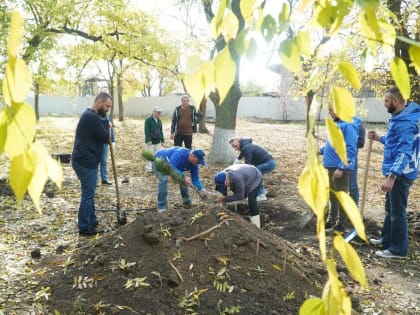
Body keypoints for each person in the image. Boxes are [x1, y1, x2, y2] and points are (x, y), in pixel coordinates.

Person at [368, 87, 420, 259]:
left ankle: (397, 250)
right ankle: (386, 239)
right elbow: (394, 144)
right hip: (397, 171)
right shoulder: (400, 118)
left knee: (398, 211)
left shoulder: (405, 123)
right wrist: (379, 138)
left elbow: (404, 153)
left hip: (401, 174)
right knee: (390, 209)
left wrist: (391, 177)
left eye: (386, 101)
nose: (384, 104)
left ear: (396, 102)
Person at [72, 92, 112, 236]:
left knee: (89, 192)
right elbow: (105, 137)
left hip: (85, 160)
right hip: (85, 162)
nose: (108, 109)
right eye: (107, 106)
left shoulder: (94, 116)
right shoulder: (91, 117)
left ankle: (92, 220)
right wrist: (107, 124)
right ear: (99, 102)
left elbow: (105, 136)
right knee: (88, 194)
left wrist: (105, 122)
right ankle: (84, 227)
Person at [320, 106, 358, 233]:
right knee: (332, 195)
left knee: (341, 196)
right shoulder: (336, 124)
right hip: (330, 166)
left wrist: (342, 167)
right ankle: (331, 220)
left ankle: (341, 224)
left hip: (339, 168)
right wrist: (320, 151)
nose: (329, 112)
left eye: (331, 109)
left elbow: (351, 149)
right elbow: (331, 144)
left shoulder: (348, 125)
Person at [154, 146, 208, 212]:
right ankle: (161, 206)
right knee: (164, 180)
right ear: (192, 156)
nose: (198, 163)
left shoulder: (194, 164)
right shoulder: (180, 153)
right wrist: (183, 177)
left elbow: (195, 178)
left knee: (184, 180)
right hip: (160, 160)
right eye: (198, 161)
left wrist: (201, 189)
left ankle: (187, 202)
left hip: (173, 166)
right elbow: (171, 167)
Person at [214, 164, 263, 228]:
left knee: (251, 199)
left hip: (255, 176)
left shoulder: (237, 178)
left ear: (227, 179)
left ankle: (256, 225)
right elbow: (223, 190)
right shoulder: (221, 176)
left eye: (225, 184)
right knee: (236, 192)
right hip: (243, 174)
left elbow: (240, 196)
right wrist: (222, 198)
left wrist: (224, 199)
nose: (225, 187)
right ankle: (226, 210)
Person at [349, 117, 366, 205]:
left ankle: (353, 208)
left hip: (350, 158)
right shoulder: (337, 121)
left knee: (351, 185)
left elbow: (361, 142)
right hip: (334, 159)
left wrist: (347, 144)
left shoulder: (357, 123)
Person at [144, 106, 164, 173]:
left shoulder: (159, 120)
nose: (159, 114)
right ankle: (148, 169)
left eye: (159, 112)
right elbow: (146, 130)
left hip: (157, 141)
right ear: (154, 112)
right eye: (158, 112)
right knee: (149, 155)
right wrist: (148, 139)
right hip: (151, 141)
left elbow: (161, 130)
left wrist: (162, 140)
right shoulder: (148, 120)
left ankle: (155, 168)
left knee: (157, 155)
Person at [99, 114, 115, 185]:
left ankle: (104, 179)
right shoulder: (95, 116)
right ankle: (95, 181)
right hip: (97, 142)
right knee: (96, 161)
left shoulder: (108, 116)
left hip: (105, 142)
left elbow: (111, 129)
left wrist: (112, 140)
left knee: (104, 161)